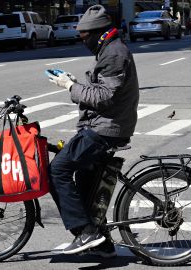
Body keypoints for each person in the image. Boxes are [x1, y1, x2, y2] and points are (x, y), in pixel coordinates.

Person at [46, 5, 139, 256]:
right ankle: (102, 242)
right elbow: (100, 91)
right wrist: (73, 83)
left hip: (106, 127)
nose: (81, 39)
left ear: (99, 33)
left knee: (57, 170)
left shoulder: (114, 54)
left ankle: (86, 233)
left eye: (84, 35)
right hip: (102, 124)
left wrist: (69, 87)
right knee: (85, 183)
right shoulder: (108, 49)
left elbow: (104, 97)